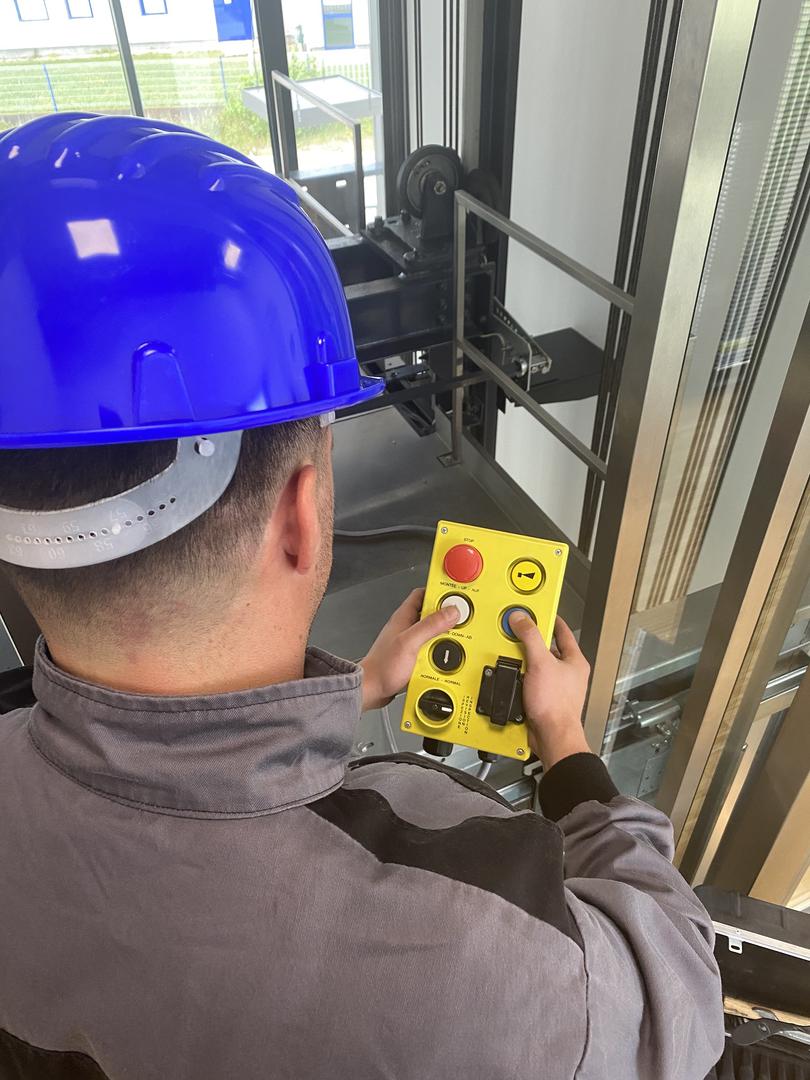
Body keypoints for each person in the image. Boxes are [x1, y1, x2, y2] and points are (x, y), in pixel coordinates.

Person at [0, 114, 724, 1080]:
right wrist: (569, 751)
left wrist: (352, 692)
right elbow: (680, 1002)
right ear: (301, 515)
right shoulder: (493, 959)